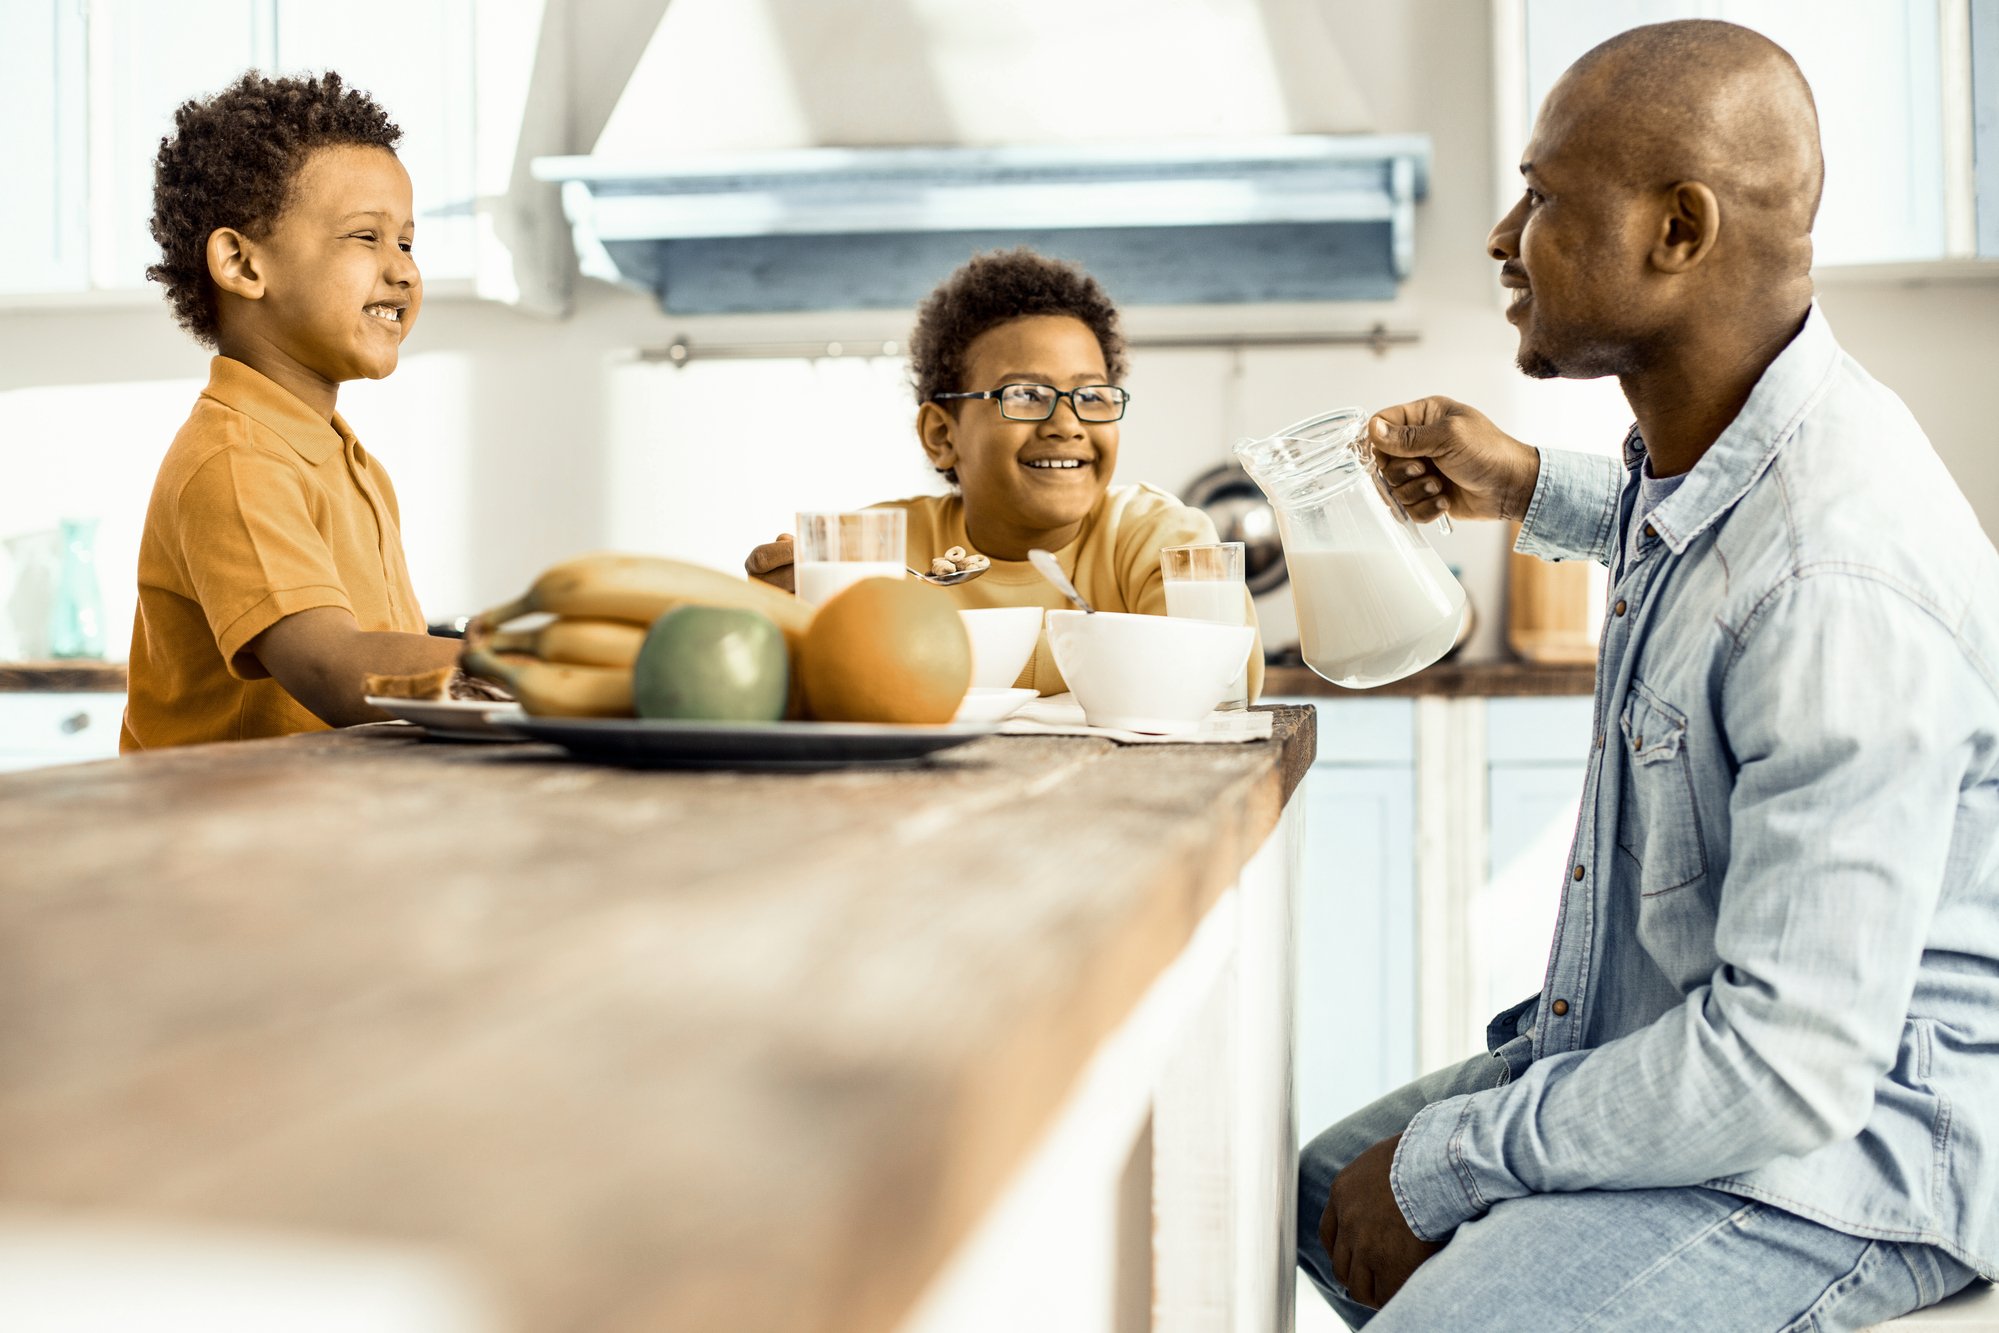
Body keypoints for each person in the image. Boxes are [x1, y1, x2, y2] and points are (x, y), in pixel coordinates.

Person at [1298, 19, 1998, 1330]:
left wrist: (1450, 1157)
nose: (1503, 238)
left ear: (1673, 232)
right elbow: (1696, 544)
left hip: (1845, 1163)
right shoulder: (1742, 445)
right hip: (1703, 1059)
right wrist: (1524, 486)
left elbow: (1783, 1074)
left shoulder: (1832, 584)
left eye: (1542, 197)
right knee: (1321, 1185)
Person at [745, 247, 1263, 697]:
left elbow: (1219, 674)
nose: (1067, 423)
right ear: (942, 437)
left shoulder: (1157, 537)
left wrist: (913, 646)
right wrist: (783, 619)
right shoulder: (875, 553)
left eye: (1091, 395)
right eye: (1026, 395)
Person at [123, 72, 461, 750]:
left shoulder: (341, 456)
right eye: (365, 237)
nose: (403, 271)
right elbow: (332, 666)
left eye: (407, 242)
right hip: (224, 842)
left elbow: (387, 656)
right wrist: (538, 664)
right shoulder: (237, 459)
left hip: (314, 828)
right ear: (242, 264)